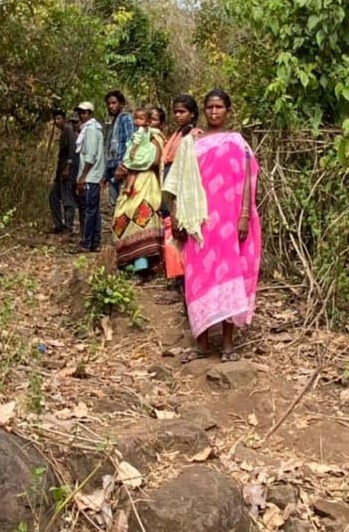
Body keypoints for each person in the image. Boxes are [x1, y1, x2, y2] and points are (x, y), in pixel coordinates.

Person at [164, 90, 261, 362]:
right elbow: (179, 184)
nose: (214, 112)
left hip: (230, 224)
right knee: (198, 279)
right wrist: (177, 218)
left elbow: (247, 181)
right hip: (200, 224)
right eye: (210, 107)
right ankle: (202, 343)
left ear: (228, 110)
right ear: (204, 111)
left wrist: (244, 216)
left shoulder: (237, 142)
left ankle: (228, 344)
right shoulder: (192, 143)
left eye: (219, 107)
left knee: (230, 276)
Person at [112, 107, 166, 280]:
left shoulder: (157, 138)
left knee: (141, 217)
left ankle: (142, 265)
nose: (148, 122)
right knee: (121, 215)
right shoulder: (138, 136)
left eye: (155, 119)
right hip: (133, 182)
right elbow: (130, 156)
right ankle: (127, 260)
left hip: (148, 183)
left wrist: (130, 165)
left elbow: (152, 160)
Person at [158, 95, 202, 305]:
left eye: (182, 111)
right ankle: (176, 281)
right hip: (168, 189)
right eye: (175, 111)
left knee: (180, 236)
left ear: (192, 113)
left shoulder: (194, 135)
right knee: (171, 235)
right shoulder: (177, 134)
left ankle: (182, 284)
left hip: (181, 193)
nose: (178, 115)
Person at [74, 101, 106, 252]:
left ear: (90, 114)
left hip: (90, 177)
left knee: (89, 210)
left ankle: (87, 242)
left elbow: (91, 156)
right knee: (93, 209)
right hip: (91, 176)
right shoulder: (88, 129)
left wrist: (83, 177)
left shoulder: (91, 130)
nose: (82, 115)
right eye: (80, 112)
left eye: (85, 112)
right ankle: (94, 242)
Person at [102, 90, 135, 207]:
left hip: (122, 168)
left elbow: (130, 142)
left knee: (123, 204)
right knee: (114, 204)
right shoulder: (113, 122)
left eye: (114, 103)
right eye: (109, 104)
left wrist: (123, 166)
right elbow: (110, 148)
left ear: (121, 104)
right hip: (112, 168)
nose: (110, 106)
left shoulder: (126, 119)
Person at [48, 110, 77, 234]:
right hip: (61, 172)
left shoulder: (69, 130)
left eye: (59, 118)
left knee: (67, 199)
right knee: (53, 195)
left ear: (64, 119)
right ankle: (58, 225)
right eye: (55, 119)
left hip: (67, 171)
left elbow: (72, 150)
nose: (57, 121)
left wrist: (68, 167)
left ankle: (68, 226)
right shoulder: (63, 132)